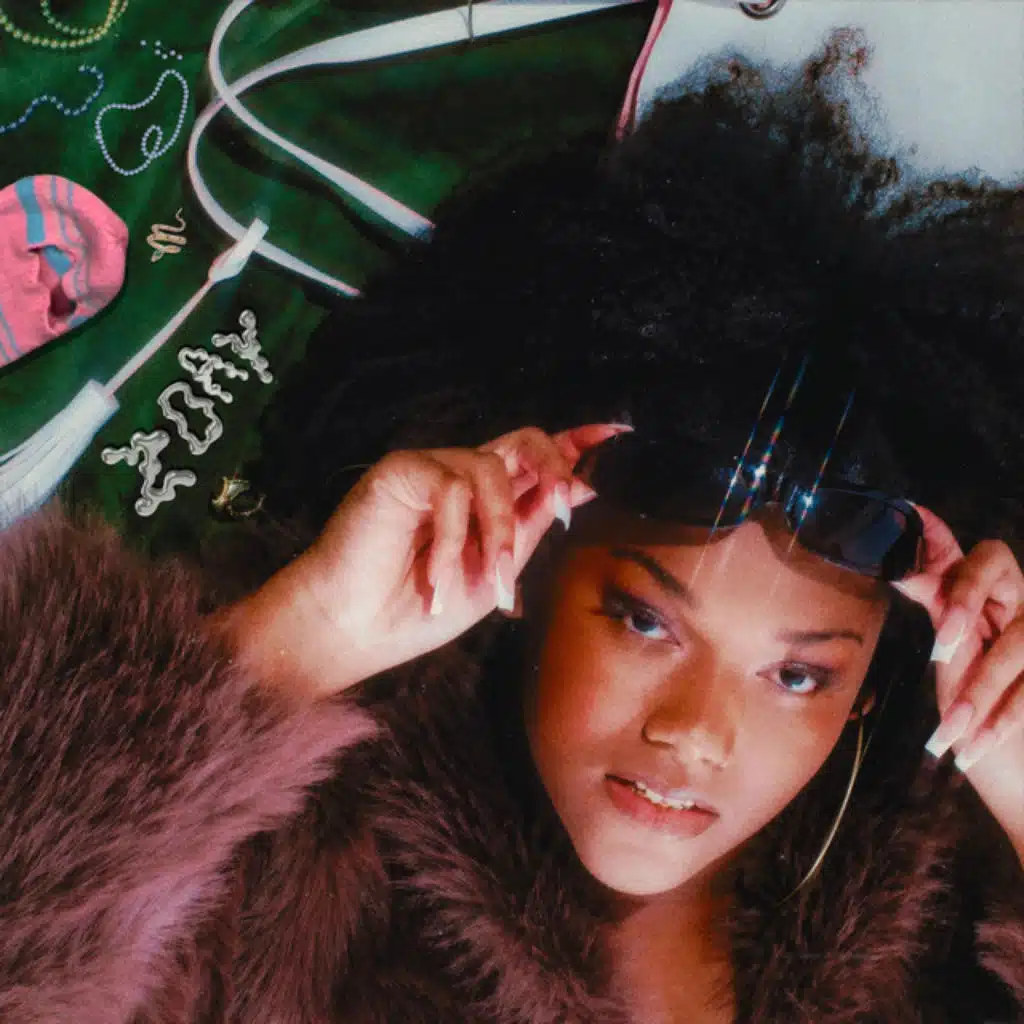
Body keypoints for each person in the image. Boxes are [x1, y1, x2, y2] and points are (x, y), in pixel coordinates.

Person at [1, 37, 1022, 1024]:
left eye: (798, 675)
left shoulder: (945, 931)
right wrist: (296, 641)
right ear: (534, 560)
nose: (696, 732)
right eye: (644, 621)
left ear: (872, 689)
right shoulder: (281, 869)